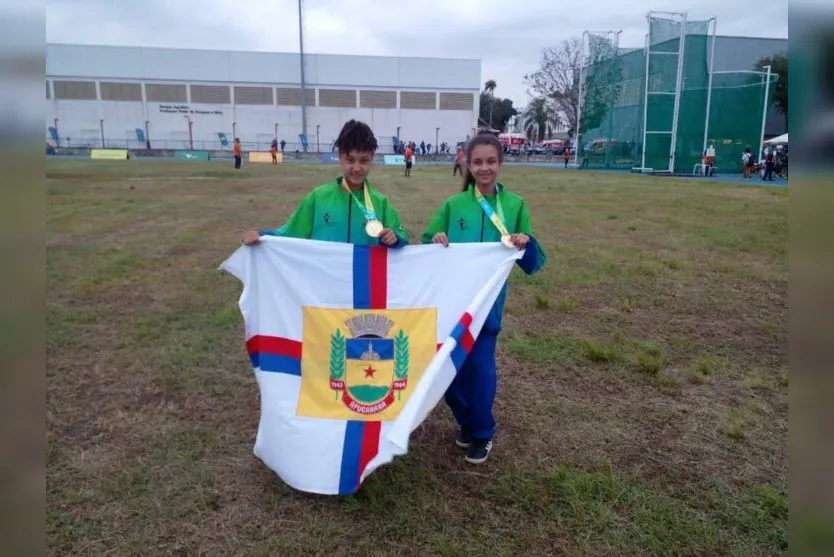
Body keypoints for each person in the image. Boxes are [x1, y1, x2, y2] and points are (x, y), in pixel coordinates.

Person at [421, 133, 547, 465]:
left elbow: (532, 263)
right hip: (452, 308)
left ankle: (482, 431)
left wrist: (524, 242)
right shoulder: (453, 205)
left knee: (479, 374)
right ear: (467, 163)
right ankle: (466, 421)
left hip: (487, 310)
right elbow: (427, 244)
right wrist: (436, 238)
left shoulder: (516, 206)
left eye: (491, 161)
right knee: (449, 375)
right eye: (477, 161)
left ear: (501, 163)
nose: (484, 167)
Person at [241, 120, 408, 248]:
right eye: (350, 160)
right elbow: (291, 232)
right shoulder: (318, 198)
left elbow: (402, 239)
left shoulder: (381, 203)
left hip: (362, 287)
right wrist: (262, 236)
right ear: (340, 157)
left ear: (372, 159)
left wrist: (394, 239)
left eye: (363, 161)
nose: (357, 168)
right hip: (325, 286)